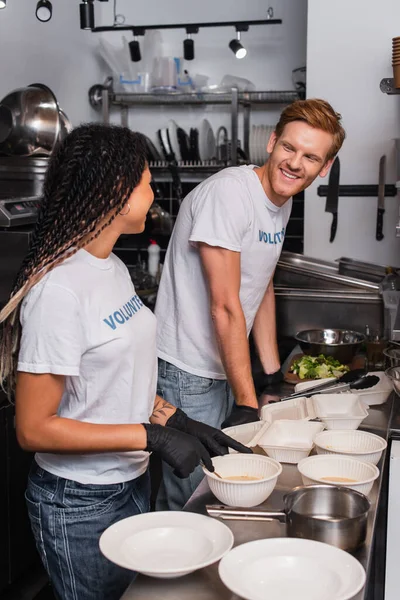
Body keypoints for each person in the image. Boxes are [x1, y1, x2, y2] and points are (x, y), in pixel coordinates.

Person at [0, 124, 250, 600]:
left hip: (129, 484)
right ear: (117, 192)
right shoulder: (60, 290)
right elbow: (33, 429)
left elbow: (111, 381)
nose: (153, 192)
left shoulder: (111, 268)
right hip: (78, 501)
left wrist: (175, 418)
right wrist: (150, 436)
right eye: (147, 182)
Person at [155, 98, 346, 510]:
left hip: (223, 365)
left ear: (324, 167)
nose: (295, 163)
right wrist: (247, 400)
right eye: (289, 148)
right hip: (190, 371)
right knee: (191, 492)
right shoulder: (230, 194)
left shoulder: (282, 199)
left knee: (220, 484)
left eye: (311, 157)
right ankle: (167, 574)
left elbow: (261, 284)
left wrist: (272, 376)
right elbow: (224, 306)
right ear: (273, 142)